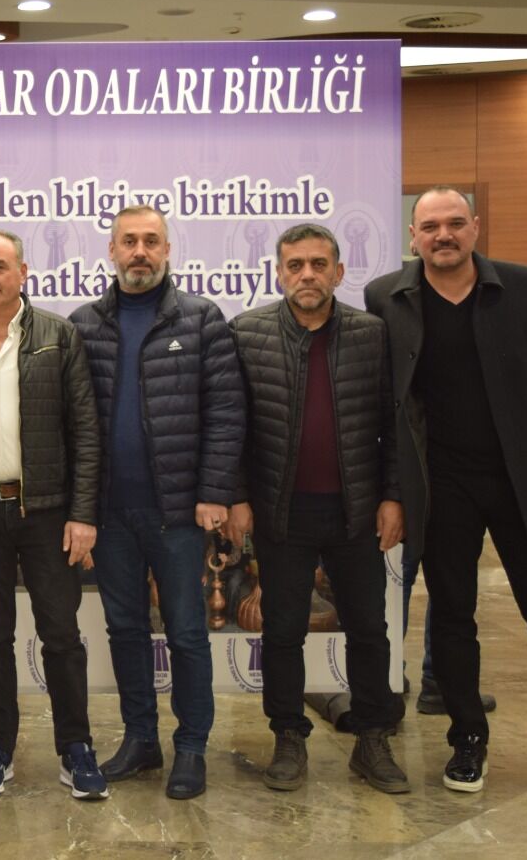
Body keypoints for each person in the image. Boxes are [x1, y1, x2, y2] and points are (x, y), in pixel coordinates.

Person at [365, 187, 527, 800]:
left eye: (454, 223)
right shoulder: (385, 297)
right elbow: (381, 402)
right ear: (413, 237)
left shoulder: (522, 286)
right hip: (441, 483)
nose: (443, 235)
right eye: (429, 227)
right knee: (452, 615)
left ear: (475, 228)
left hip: (522, 479)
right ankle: (467, 739)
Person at [69, 205, 244, 800]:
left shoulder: (200, 318)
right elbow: (73, 422)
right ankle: (141, 739)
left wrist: (214, 492)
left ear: (167, 250)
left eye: (151, 241)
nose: (139, 251)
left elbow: (226, 411)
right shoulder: (84, 324)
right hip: (110, 514)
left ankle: (191, 746)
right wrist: (80, 508)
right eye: (129, 242)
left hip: (178, 514)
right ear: (112, 251)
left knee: (187, 632)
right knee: (124, 630)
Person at [227, 223, 408, 794]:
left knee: (369, 629)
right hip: (281, 513)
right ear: (279, 273)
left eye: (318, 264)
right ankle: (288, 735)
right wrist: (236, 496)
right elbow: (232, 427)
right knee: (282, 631)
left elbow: (395, 425)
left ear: (338, 272)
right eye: (295, 265)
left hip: (356, 511)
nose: (307, 274)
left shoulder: (371, 334)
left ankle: (372, 739)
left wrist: (393, 495)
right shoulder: (247, 332)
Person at [0, 230, 106, 800]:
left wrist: (83, 514)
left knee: (61, 634)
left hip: (48, 513)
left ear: (23, 273)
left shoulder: (59, 336)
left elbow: (85, 432)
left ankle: (76, 748)